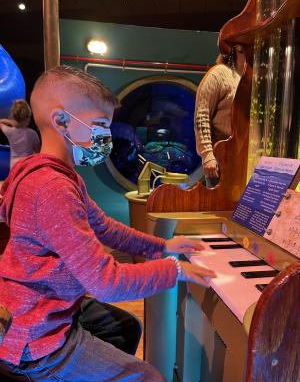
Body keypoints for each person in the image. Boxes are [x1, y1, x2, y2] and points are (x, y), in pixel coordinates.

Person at [0, 65, 216, 382]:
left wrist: (161, 246)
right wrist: (176, 270)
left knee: (124, 327)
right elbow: (105, 282)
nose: (105, 136)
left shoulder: (57, 176)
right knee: (148, 377)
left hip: (45, 309)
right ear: (61, 121)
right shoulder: (52, 189)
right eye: (99, 125)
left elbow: (103, 226)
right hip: (35, 338)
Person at [194, 45, 246, 187]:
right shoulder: (219, 74)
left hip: (245, 160)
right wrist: (207, 155)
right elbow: (201, 115)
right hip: (221, 159)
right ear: (238, 48)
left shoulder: (251, 77)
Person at [0, 99, 40, 168]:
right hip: (28, 164)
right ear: (28, 118)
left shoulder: (8, 131)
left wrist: (11, 122)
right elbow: (38, 152)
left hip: (14, 165)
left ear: (14, 117)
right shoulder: (33, 133)